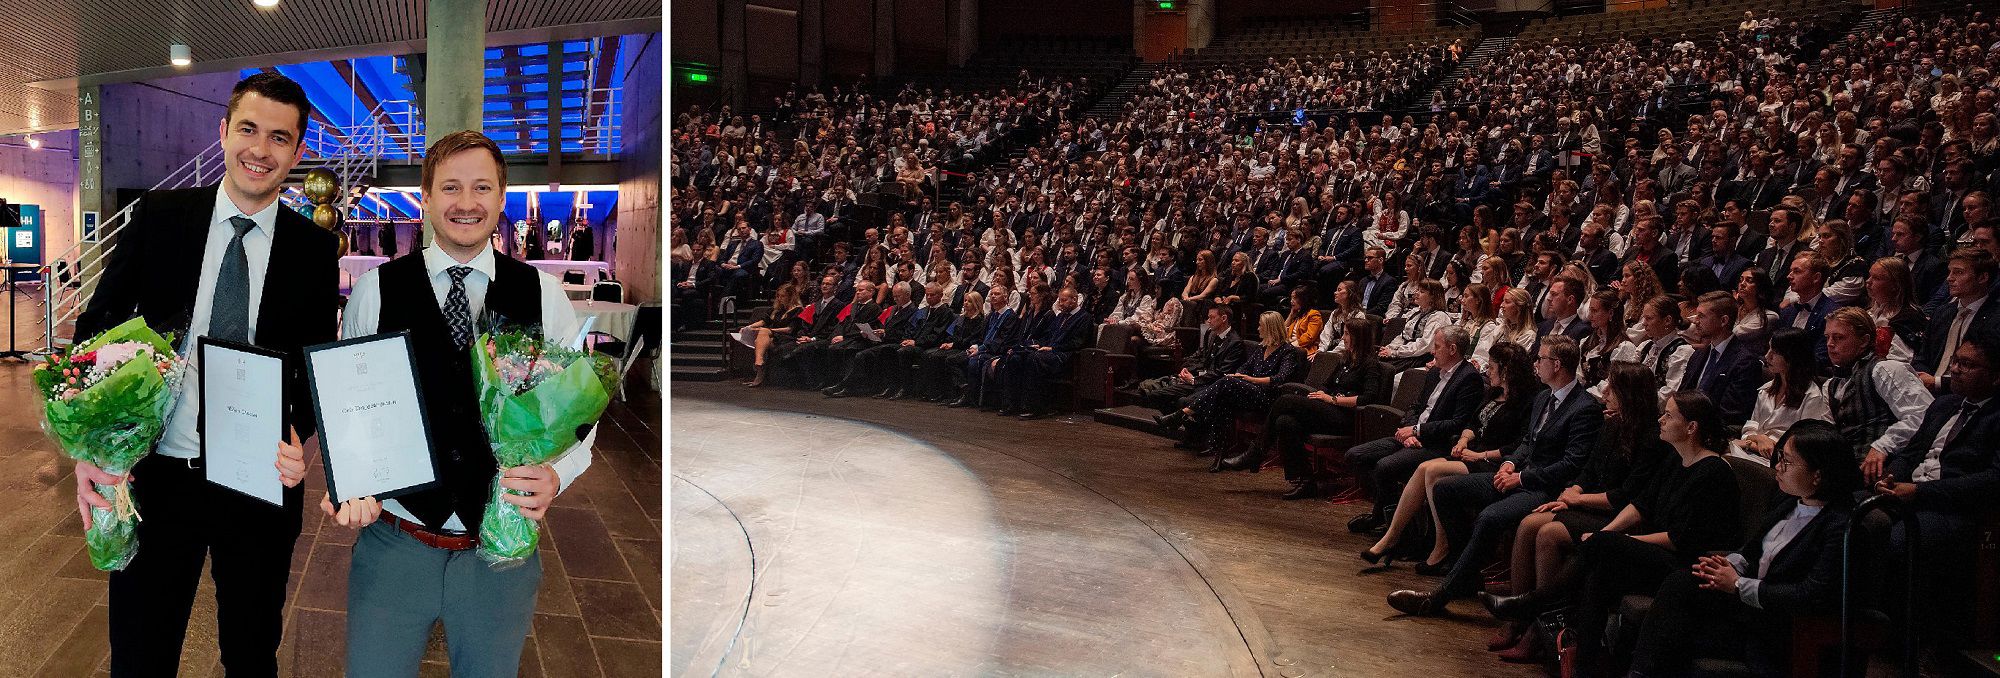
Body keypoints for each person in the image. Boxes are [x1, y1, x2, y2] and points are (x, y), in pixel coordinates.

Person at [70, 72, 337, 678]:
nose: (260, 149)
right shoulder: (161, 217)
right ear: (223, 132)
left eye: (279, 137)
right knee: (140, 655)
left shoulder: (313, 251)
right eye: (248, 129)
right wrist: (92, 447)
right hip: (157, 475)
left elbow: (314, 364)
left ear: (297, 151)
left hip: (260, 482)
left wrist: (301, 435)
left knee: (251, 655)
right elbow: (94, 331)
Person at [336, 130, 588, 675]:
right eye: (450, 187)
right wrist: (348, 480)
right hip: (395, 542)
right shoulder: (375, 291)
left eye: (481, 187)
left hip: (501, 547)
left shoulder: (543, 295)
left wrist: (558, 473)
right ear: (426, 198)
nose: (466, 203)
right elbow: (347, 407)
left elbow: (580, 417)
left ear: (501, 198)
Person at [1627, 420, 1864, 677]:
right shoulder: (1789, 501)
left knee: (1671, 632)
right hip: (1749, 609)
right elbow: (1751, 551)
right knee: (1681, 585)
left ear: (1817, 475)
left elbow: (1809, 595)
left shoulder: (1841, 526)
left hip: (1780, 627)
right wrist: (1728, 565)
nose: (1778, 467)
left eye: (1787, 462)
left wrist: (1739, 585)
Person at [1388, 335, 1603, 616]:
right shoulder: (1544, 397)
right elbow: (1527, 442)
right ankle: (1465, 573)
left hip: (1546, 488)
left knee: (1489, 517)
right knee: (1444, 489)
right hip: (1520, 476)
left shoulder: (1584, 408)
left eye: (1541, 359)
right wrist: (1511, 464)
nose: (1536, 363)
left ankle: (1441, 596)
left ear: (1557, 365)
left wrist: (1522, 478)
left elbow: (1571, 464)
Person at [1481, 362, 1670, 659]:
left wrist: (1578, 500)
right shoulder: (1612, 425)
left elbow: (1627, 496)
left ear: (1629, 394)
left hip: (1619, 516)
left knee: (1548, 533)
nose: (1604, 393)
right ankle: (1519, 618)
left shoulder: (1651, 438)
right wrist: (1573, 493)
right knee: (1528, 524)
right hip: (1591, 504)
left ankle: (1539, 630)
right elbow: (1588, 470)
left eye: (1612, 388)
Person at [1566, 391, 1743, 677]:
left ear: (1691, 427)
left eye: (1669, 416)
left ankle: (1539, 604)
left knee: (1603, 549)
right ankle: (1584, 668)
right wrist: (1606, 533)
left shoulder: (1713, 472)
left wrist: (1621, 540)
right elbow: (1642, 504)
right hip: (1658, 556)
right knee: (1600, 574)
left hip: (1686, 566)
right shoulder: (1675, 459)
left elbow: (1679, 539)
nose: (1660, 420)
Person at [1871, 330, 2000, 650]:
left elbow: (1992, 480)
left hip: (1954, 507)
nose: (1954, 369)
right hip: (1910, 492)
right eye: (1955, 361)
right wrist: (1891, 477)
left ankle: (1907, 640)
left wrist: (1919, 492)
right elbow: (1911, 453)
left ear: (1995, 376)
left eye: (1967, 365)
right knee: (1840, 515)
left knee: (1894, 543)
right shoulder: (1944, 405)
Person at [1362, 342, 1539, 570]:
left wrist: (1479, 454)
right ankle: (1392, 537)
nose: (1488, 371)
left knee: (1434, 472)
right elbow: (1473, 423)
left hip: (1494, 461)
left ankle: (1441, 544)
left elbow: (1517, 445)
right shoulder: (1494, 392)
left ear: (1506, 371)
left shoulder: (1527, 401)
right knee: (1424, 468)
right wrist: (1464, 441)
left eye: (1492, 367)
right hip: (1472, 452)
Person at [1343, 325, 1484, 534]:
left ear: (1453, 349)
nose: (1432, 351)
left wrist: (1418, 431)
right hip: (1412, 435)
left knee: (1384, 466)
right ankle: (1389, 513)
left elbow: (1457, 423)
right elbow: (1416, 406)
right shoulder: (1434, 373)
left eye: (1437, 346)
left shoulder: (1469, 378)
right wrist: (1409, 429)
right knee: (1355, 455)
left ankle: (1388, 521)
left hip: (1436, 444)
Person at [1265, 316, 1391, 500]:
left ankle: (1258, 449)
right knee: (1285, 422)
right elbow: (1326, 385)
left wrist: (1332, 399)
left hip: (1347, 418)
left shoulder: (1370, 364)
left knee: (1285, 400)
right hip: (1329, 412)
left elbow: (1368, 398)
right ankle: (1306, 480)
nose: (1343, 338)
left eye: (1347, 334)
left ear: (1359, 337)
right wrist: (1322, 395)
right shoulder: (1345, 359)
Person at [1162, 311, 1302, 465]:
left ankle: (1184, 414)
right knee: (1224, 397)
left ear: (1270, 328)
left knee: (1227, 383)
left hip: (1269, 397)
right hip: (1250, 392)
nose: (1257, 329)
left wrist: (1249, 379)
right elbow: (1244, 367)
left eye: (1260, 326)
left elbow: (1281, 378)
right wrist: (1238, 376)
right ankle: (1219, 451)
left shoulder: (1288, 351)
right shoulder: (1262, 348)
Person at [1730, 328, 1830, 464]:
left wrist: (1751, 444)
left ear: (1793, 357)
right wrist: (1760, 439)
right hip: (1751, 452)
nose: (1767, 356)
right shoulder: (1766, 389)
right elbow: (1750, 428)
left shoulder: (1812, 397)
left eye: (1775, 352)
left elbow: (1803, 447)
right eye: (1769, 349)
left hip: (1780, 462)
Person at [998, 287, 1094, 419]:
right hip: (1049, 351)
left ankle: (1035, 407)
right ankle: (1011, 404)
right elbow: (1048, 336)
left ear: (1074, 299)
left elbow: (1078, 342)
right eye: (1060, 300)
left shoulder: (1085, 318)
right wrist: (1039, 344)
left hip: (1065, 355)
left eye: (1064, 300)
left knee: (1034, 359)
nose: (1060, 303)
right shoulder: (1060, 316)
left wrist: (1053, 348)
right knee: (1016, 356)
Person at [1916, 248, 1998, 394]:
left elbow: (1985, 377)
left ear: (1982, 278)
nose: (1949, 278)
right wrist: (1921, 377)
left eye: (1958, 272)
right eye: (1950, 272)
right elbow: (1922, 357)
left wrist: (1937, 383)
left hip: (1967, 395)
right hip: (1925, 389)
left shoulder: (1995, 319)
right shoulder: (1942, 312)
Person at [1680, 291, 1764, 428]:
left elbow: (1730, 415)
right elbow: (1682, 396)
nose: (1695, 321)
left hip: (1714, 431)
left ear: (1724, 320)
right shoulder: (1698, 355)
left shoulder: (1745, 363)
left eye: (1701, 316)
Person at [914, 291, 989, 402]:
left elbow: (972, 339)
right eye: (965, 300)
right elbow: (952, 334)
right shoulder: (961, 318)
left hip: (966, 347)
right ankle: (937, 391)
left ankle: (961, 390)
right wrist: (948, 343)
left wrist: (954, 344)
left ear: (976, 303)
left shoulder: (979, 320)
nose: (966, 303)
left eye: (969, 301)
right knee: (932, 355)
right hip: (956, 345)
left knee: (945, 359)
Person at [739, 282, 805, 387]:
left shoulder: (798, 310)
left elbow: (789, 329)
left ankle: (759, 365)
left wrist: (770, 330)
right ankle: (760, 364)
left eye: (783, 296)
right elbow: (763, 321)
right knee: (760, 338)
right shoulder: (777, 309)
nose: (779, 298)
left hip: (788, 337)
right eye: (778, 296)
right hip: (772, 336)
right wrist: (749, 327)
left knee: (762, 334)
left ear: (790, 296)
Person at [1381, 279, 1452, 371]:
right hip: (1406, 354)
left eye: (1422, 291)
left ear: (1432, 297)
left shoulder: (1438, 317)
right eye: (1417, 290)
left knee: (1385, 369)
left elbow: (1424, 345)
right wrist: (1389, 348)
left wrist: (1395, 352)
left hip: (1420, 357)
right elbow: (1403, 336)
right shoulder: (1416, 312)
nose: (1416, 293)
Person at [1281, 285, 1324, 356]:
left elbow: (1309, 337)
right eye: (1291, 298)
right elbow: (1282, 331)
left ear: (1303, 299)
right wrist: (1291, 315)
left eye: (1295, 298)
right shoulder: (1297, 314)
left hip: (1304, 349)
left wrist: (1291, 345)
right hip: (1290, 347)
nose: (1291, 301)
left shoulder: (1313, 314)